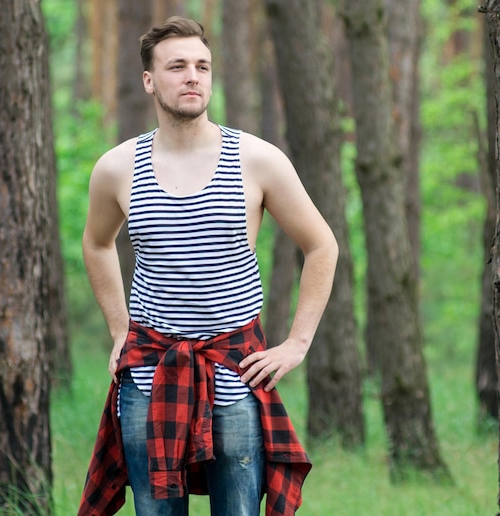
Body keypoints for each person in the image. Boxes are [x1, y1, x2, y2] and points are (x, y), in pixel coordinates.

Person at [79, 16, 338, 516]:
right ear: (150, 81)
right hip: (148, 373)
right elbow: (96, 243)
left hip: (234, 371)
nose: (193, 76)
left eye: (202, 66)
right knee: (154, 511)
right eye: (177, 66)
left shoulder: (257, 160)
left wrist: (297, 343)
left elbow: (321, 245)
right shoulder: (117, 168)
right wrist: (119, 330)